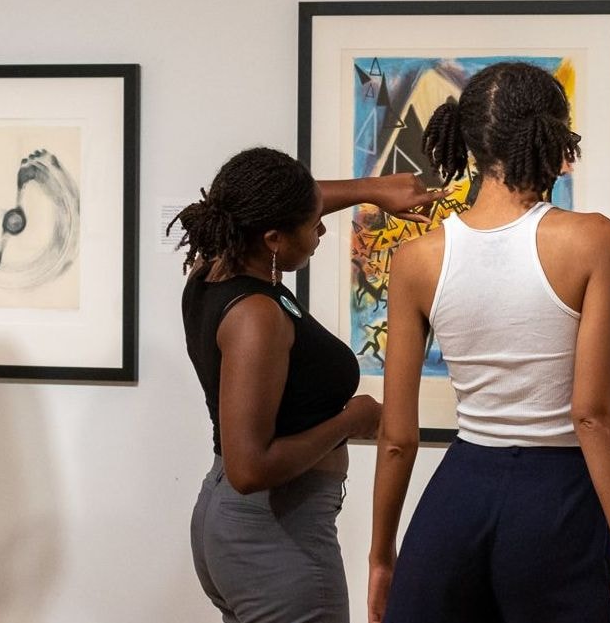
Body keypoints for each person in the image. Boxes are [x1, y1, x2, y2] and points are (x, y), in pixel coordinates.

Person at [368, 62, 610, 623]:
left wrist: (380, 554)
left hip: (458, 494)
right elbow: (591, 413)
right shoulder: (592, 238)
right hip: (556, 498)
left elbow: (397, 437)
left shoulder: (417, 258)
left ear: (469, 140)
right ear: (555, 137)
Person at [175, 147, 440, 623]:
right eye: (312, 223)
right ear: (273, 237)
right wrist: (349, 421)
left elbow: (279, 202)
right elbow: (250, 468)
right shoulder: (256, 317)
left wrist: (372, 191)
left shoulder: (215, 265)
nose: (321, 228)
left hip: (236, 526)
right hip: (275, 539)